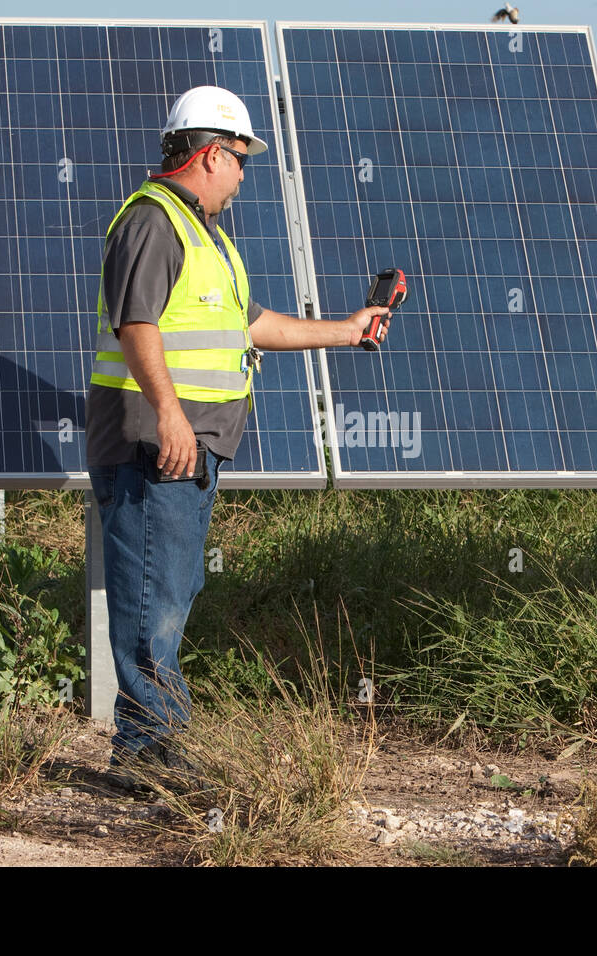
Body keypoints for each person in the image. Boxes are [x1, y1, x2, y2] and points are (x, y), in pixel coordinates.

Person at [85, 85, 390, 777]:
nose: (246, 175)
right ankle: (146, 753)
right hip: (154, 444)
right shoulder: (153, 223)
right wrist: (168, 414)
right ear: (212, 154)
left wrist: (348, 330)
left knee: (170, 591)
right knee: (150, 600)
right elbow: (136, 325)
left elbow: (250, 325)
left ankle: (152, 744)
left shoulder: (205, 236)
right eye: (242, 159)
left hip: (193, 446)